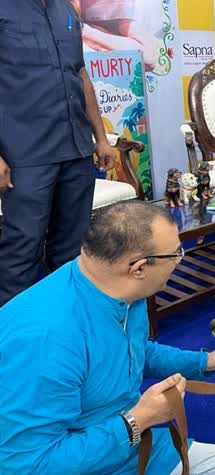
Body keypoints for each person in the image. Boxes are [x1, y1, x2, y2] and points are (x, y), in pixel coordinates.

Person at [0, 201, 215, 475]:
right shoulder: (46, 337)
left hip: (123, 448)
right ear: (138, 268)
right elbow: (28, 471)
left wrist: (203, 363)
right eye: (176, 253)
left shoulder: (120, 291)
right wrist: (138, 420)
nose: (179, 260)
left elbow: (134, 351)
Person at [0, 1, 116, 307]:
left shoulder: (65, 8)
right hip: (25, 152)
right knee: (21, 250)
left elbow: (80, 75)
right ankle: (13, 341)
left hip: (76, 147)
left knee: (73, 249)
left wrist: (100, 138)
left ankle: (65, 324)